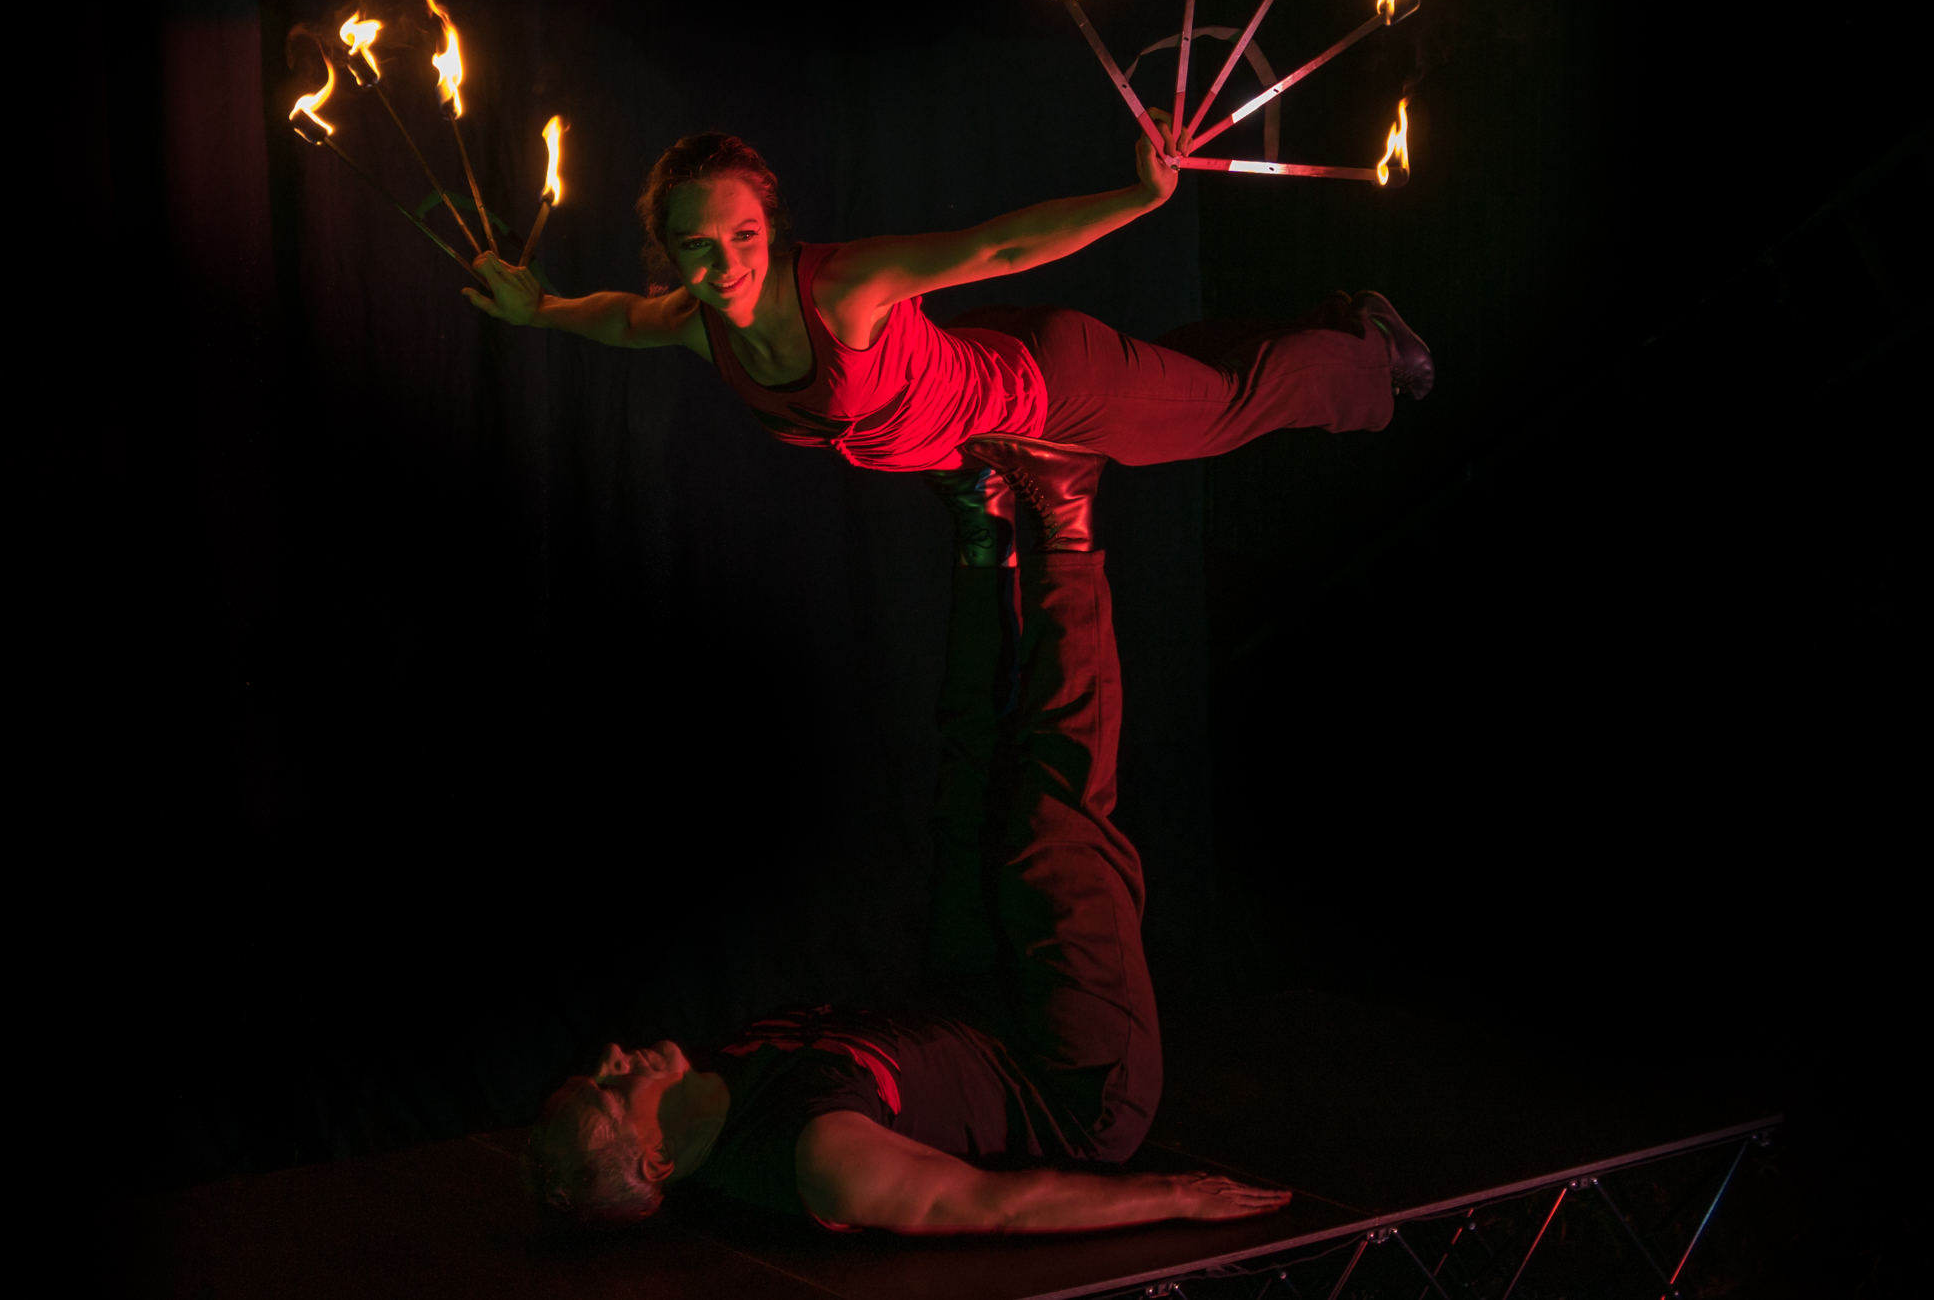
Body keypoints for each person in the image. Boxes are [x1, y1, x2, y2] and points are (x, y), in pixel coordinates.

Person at [474, 124, 1432, 1230]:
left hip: (1042, 394)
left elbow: (997, 248)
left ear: (769, 227)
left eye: (742, 236)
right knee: (1177, 395)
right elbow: (619, 319)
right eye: (697, 246)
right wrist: (537, 310)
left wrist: (1136, 195)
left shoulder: (841, 291)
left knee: (1209, 410)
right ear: (672, 254)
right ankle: (1322, 329)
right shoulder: (698, 325)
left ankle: (1374, 354)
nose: (724, 263)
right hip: (987, 420)